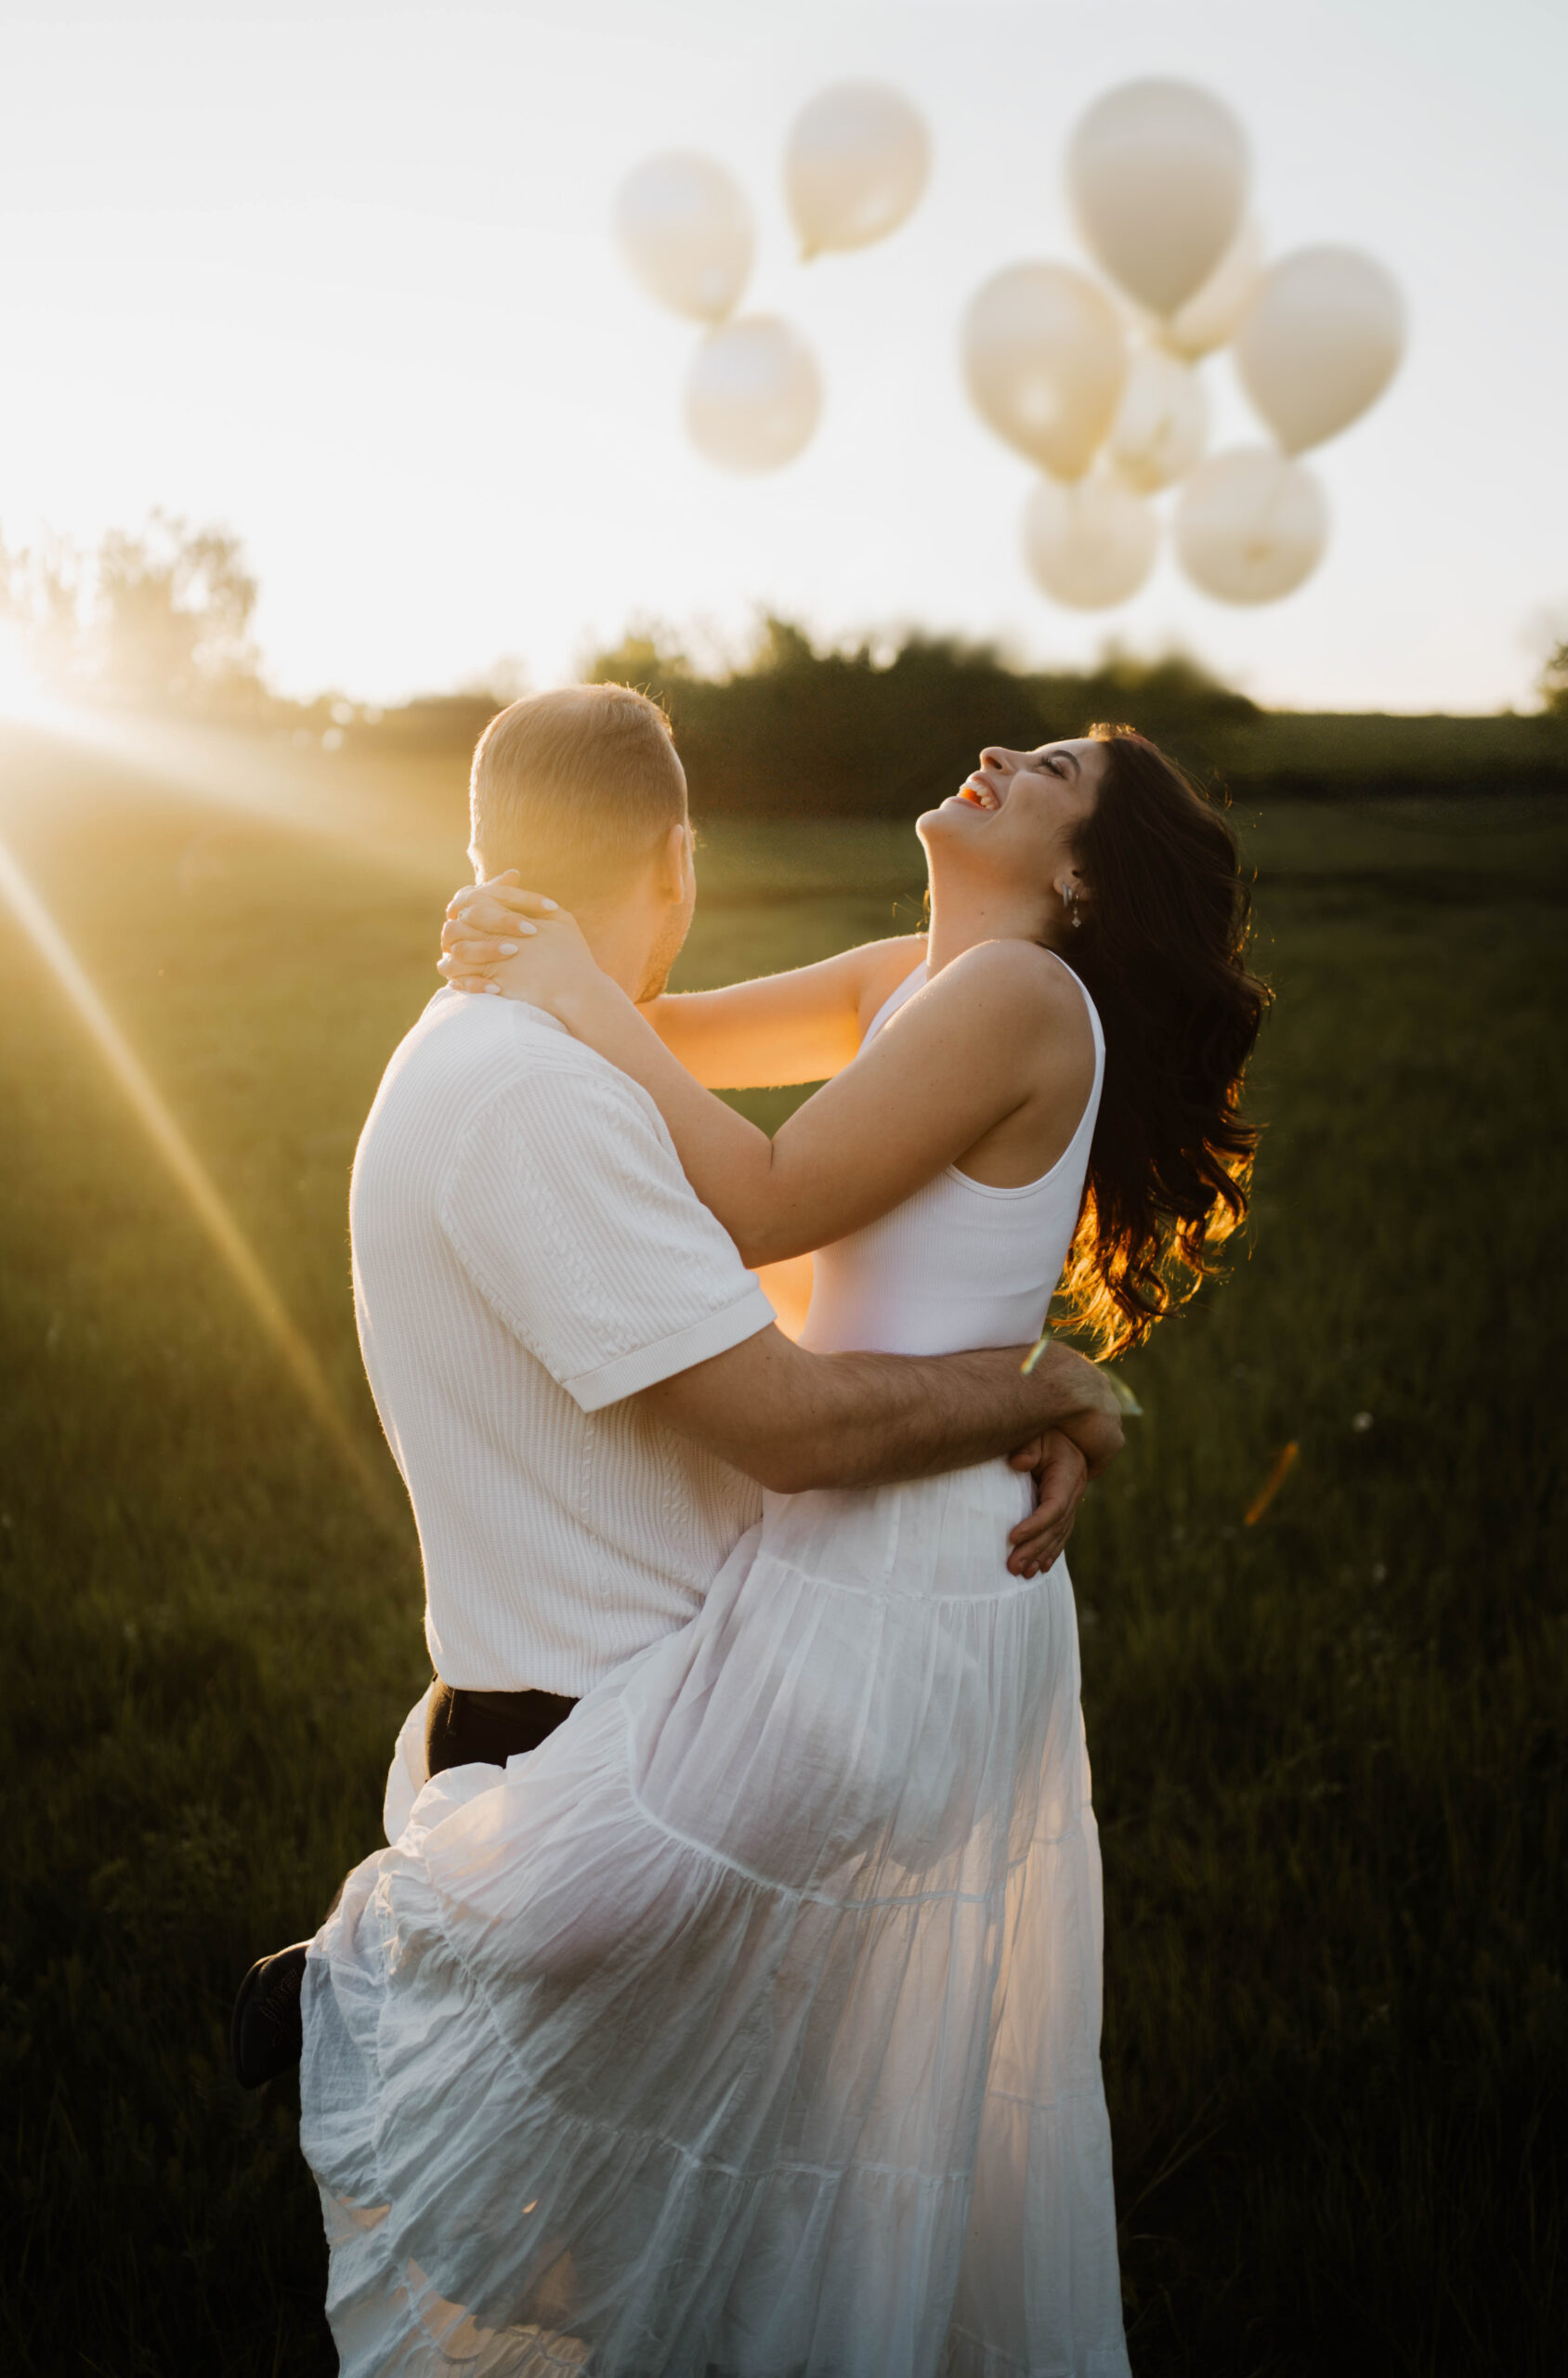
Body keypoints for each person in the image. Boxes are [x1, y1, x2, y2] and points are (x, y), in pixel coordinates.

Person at [250, 686, 1133, 2363]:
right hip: (857, 1487)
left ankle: (381, 1979)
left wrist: (1041, 1387)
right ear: (682, 855)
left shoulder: (1024, 991)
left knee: (731, 1893)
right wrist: (535, 944)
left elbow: (773, 1195)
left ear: (1085, 878)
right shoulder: (905, 975)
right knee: (765, 1970)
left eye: (1055, 771)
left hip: (914, 1530)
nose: (1003, 754)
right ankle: (475, 2061)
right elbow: (665, 1028)